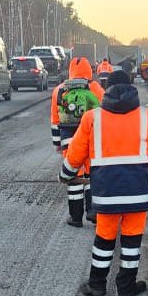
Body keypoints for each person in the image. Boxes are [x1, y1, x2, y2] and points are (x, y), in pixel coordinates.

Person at [60, 72, 148, 296]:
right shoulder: (146, 117)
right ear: (130, 87)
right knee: (132, 240)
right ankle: (126, 286)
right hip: (137, 193)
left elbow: (76, 153)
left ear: (106, 89)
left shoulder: (93, 117)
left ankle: (97, 284)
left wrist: (66, 174)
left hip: (106, 193)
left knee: (104, 238)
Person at [50, 57, 105, 227]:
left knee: (73, 175)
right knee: (91, 173)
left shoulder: (59, 90)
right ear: (90, 71)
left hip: (69, 137)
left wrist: (57, 143)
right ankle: (92, 211)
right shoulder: (95, 88)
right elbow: (104, 115)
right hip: (91, 136)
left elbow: (55, 120)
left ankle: (75, 217)